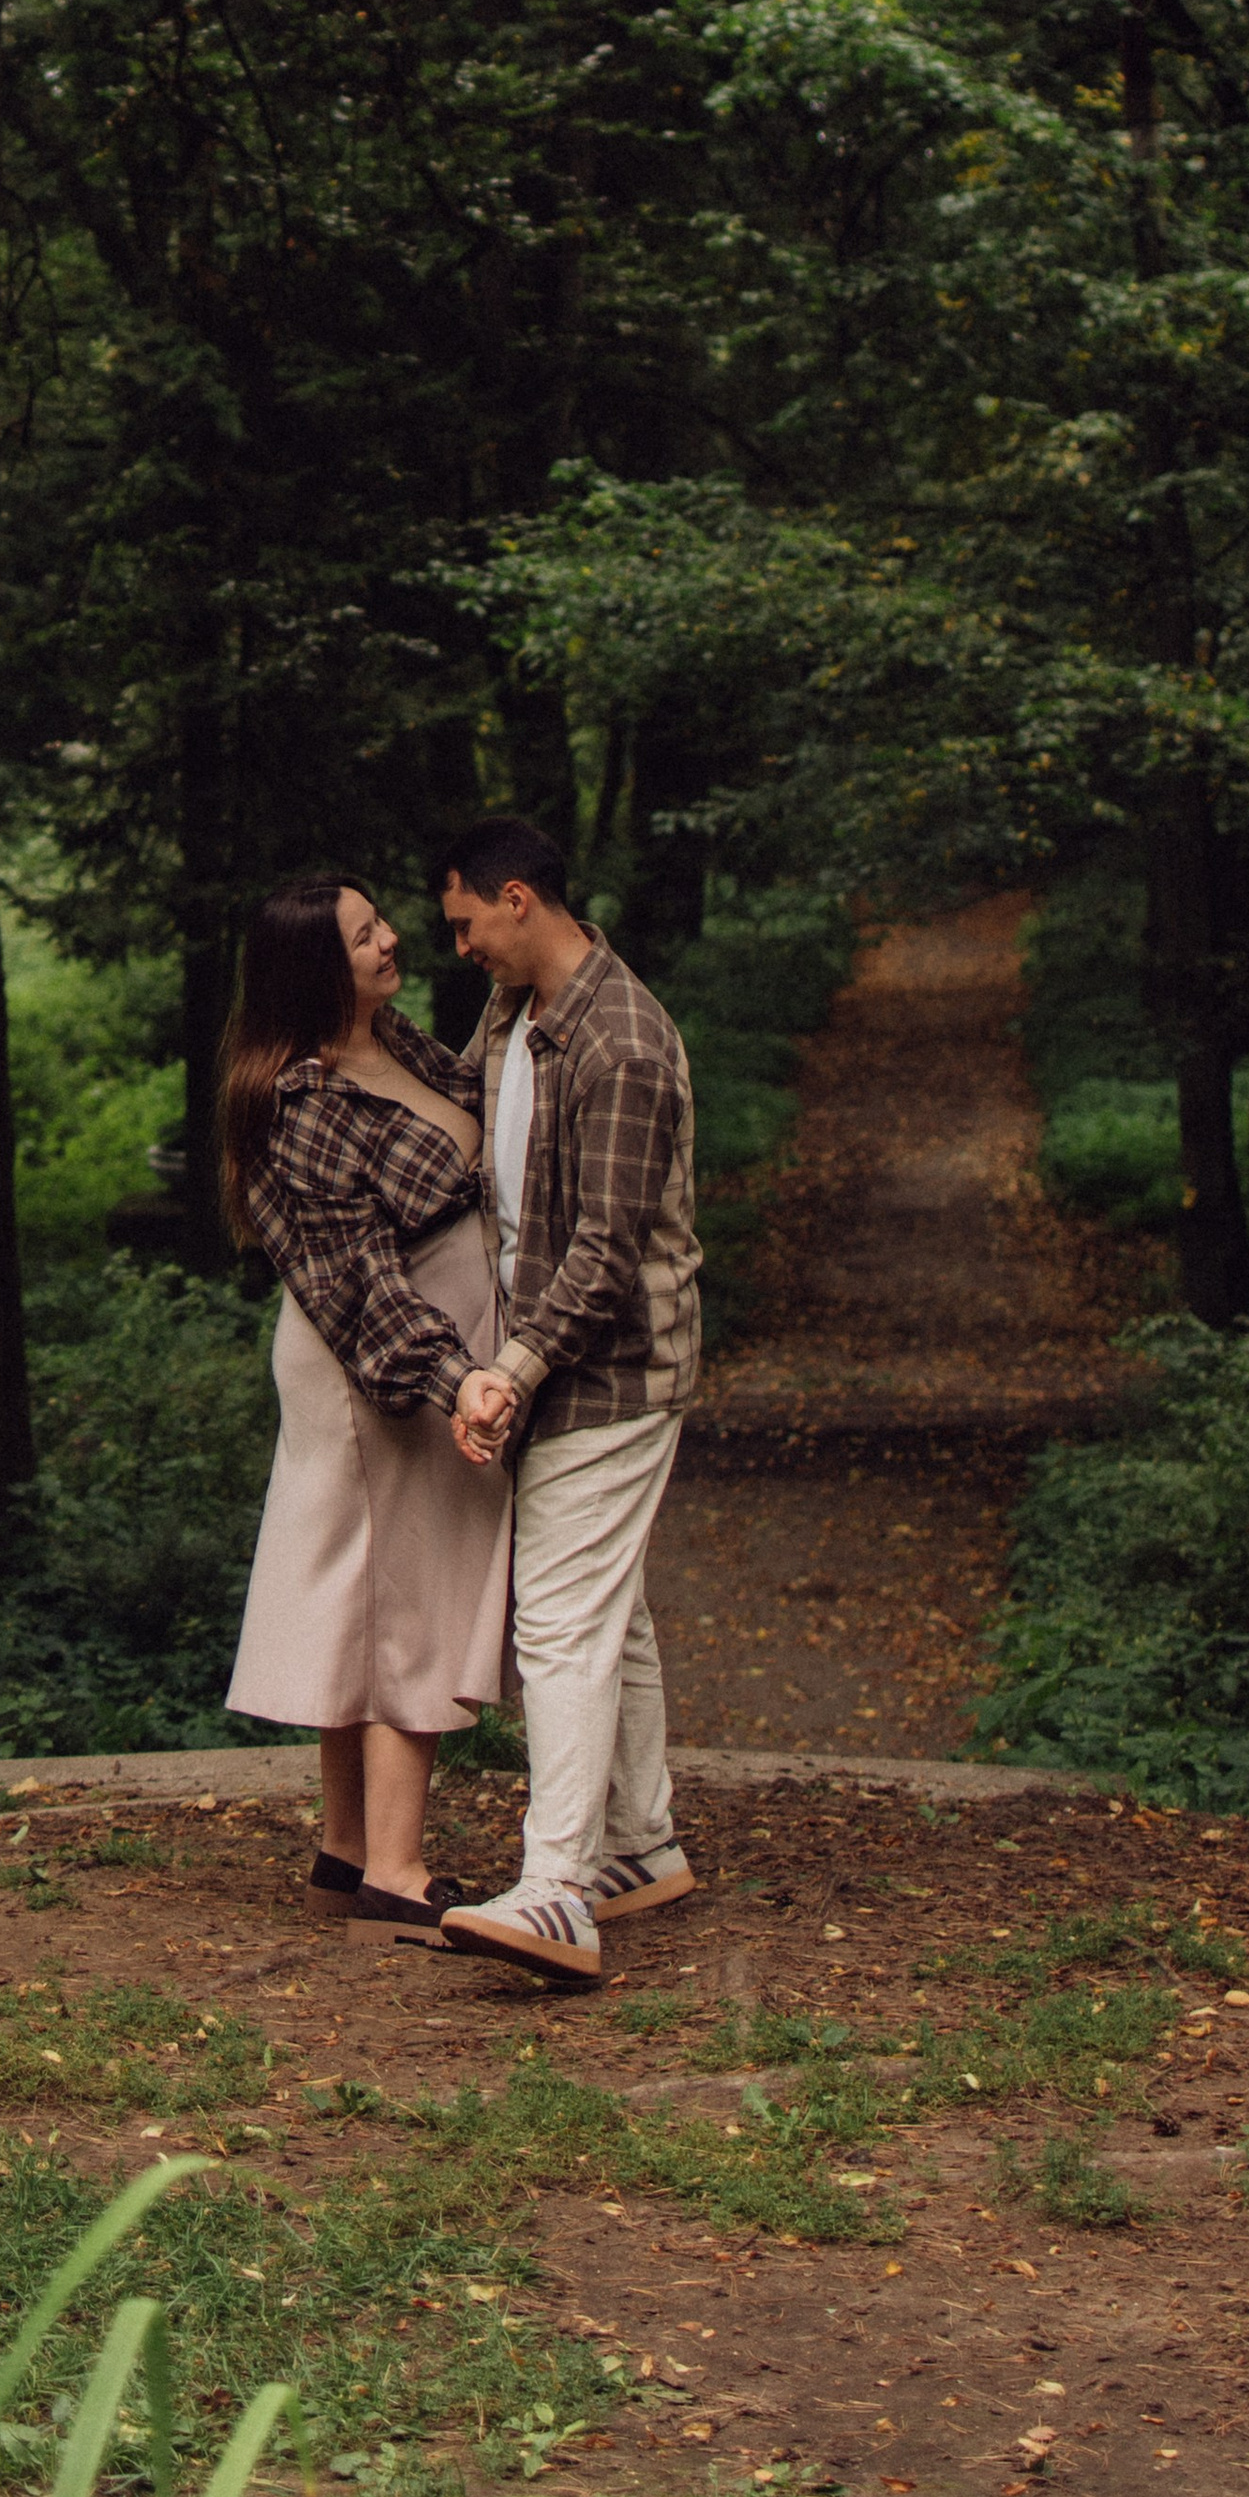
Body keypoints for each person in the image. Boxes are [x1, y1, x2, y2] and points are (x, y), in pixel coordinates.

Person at [431, 818, 703, 1985]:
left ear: (517, 896)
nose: (457, 948)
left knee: (558, 1622)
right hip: (553, 1356)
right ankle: (638, 1846)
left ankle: (556, 1893)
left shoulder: (623, 1040)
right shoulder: (514, 1013)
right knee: (610, 1611)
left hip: (616, 1368)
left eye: (462, 924)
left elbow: (605, 1249)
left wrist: (512, 1369)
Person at [220, 871, 511, 1941]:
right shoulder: (305, 1099)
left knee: (368, 1592)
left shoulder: (397, 1043)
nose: (390, 939)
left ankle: (347, 1849)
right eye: (361, 936)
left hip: (418, 1343)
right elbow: (361, 1285)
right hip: (375, 1364)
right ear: (313, 969)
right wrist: (452, 1382)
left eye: (379, 919)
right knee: (404, 1592)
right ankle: (397, 1866)